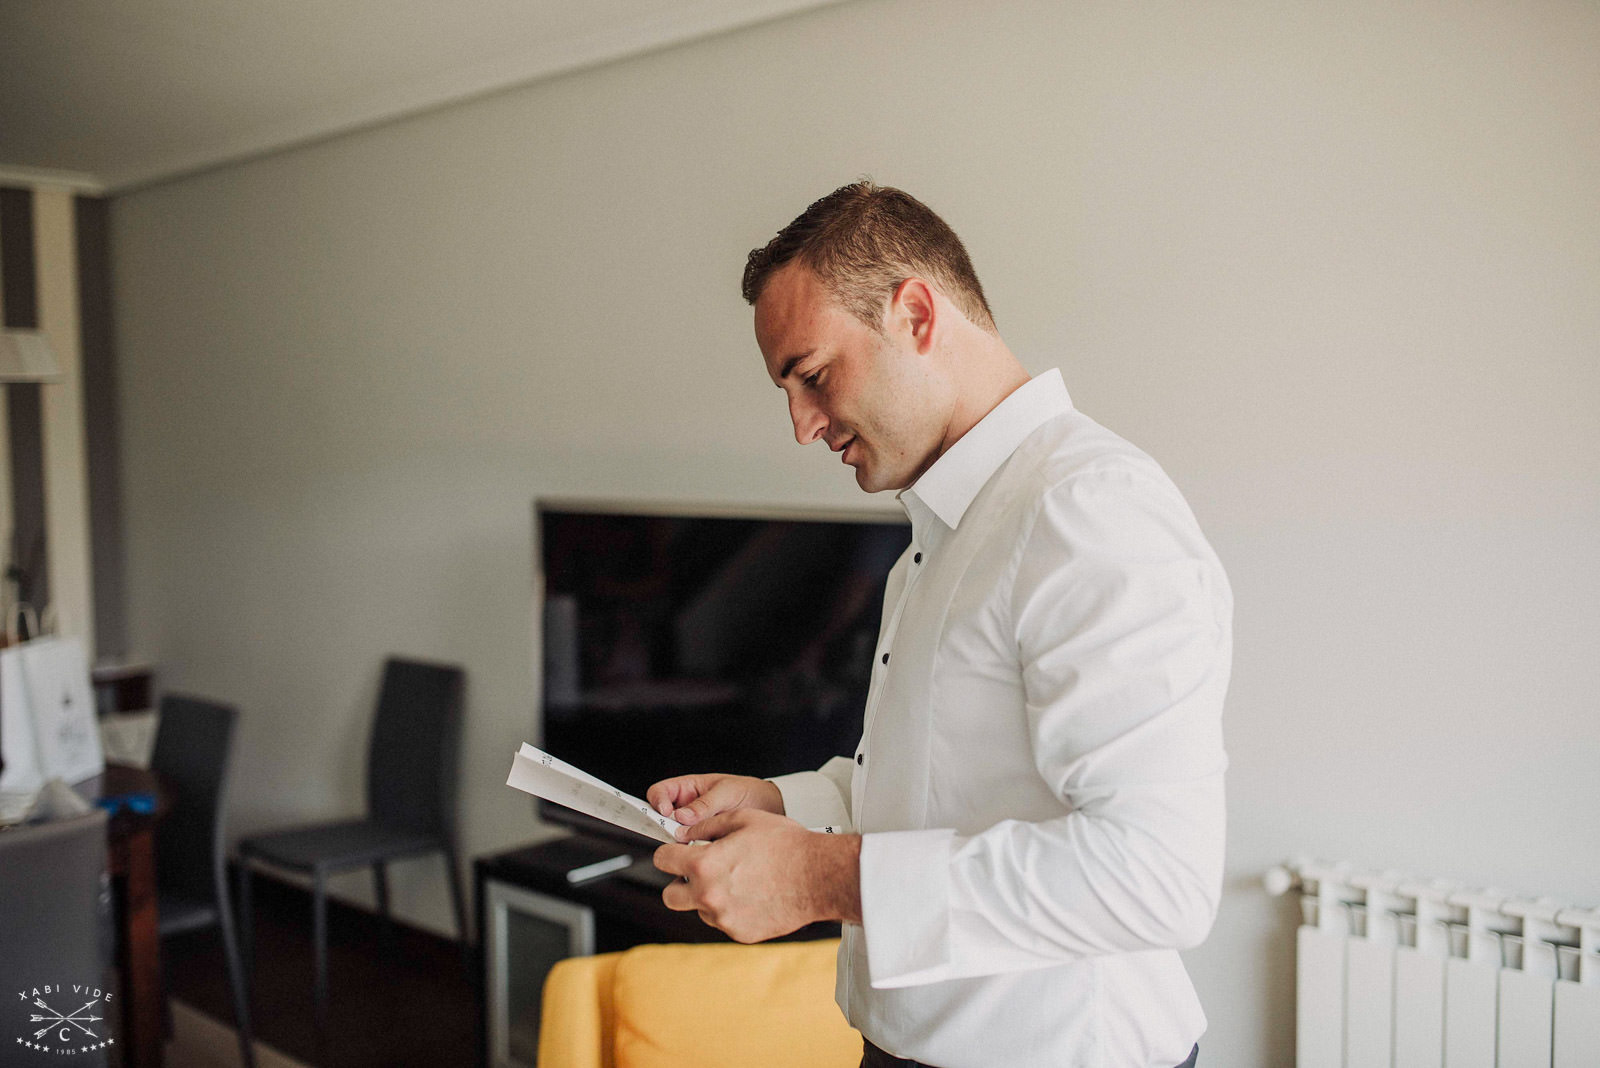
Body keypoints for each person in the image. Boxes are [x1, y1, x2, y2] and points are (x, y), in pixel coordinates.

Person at [648, 181, 1230, 1068]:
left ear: (916, 314)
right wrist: (783, 805)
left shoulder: (1086, 510)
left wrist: (812, 876)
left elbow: (1155, 876)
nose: (802, 426)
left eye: (811, 374)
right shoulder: (947, 526)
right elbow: (947, 789)